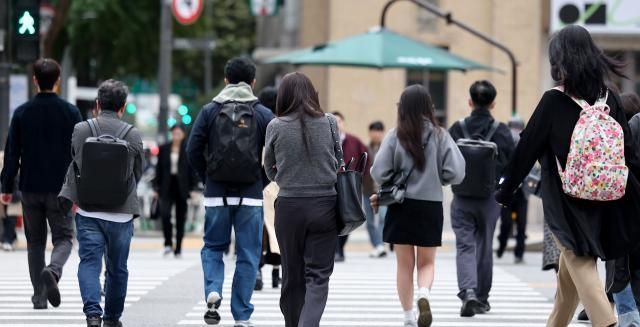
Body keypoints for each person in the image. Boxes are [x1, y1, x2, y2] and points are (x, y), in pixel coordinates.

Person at [496, 25, 640, 327]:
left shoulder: (554, 100)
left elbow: (526, 149)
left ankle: (606, 322)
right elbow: (627, 150)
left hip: (565, 199)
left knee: (579, 259)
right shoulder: (610, 97)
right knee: (567, 280)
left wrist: (505, 191)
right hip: (605, 196)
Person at [187, 57, 274, 327]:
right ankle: (242, 315)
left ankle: (213, 289)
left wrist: (207, 178)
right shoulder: (262, 113)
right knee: (248, 253)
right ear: (253, 82)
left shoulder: (210, 111)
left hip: (216, 193)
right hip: (250, 194)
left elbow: (192, 149)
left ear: (226, 80)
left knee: (213, 247)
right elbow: (274, 154)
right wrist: (261, 181)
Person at [370, 85, 466, 327]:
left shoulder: (394, 135)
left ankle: (408, 316)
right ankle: (424, 292)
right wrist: (438, 177)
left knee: (404, 264)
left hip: (401, 205)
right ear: (428, 107)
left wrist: (395, 176)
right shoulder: (440, 134)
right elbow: (456, 172)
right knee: (427, 262)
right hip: (430, 205)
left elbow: (378, 172)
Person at [58, 79, 144, 327]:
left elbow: (77, 160)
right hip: (121, 213)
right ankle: (112, 318)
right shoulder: (133, 134)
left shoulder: (81, 130)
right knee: (118, 269)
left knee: (89, 263)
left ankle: (92, 314)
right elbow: (137, 170)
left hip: (88, 209)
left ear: (97, 105)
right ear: (123, 107)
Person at [0, 58, 81, 310]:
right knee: (65, 238)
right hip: (61, 189)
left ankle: (39, 297)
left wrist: (5, 188)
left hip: (30, 186)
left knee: (34, 242)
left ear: (35, 81)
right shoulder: (71, 113)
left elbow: (12, 153)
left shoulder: (22, 113)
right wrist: (78, 190)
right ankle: (53, 271)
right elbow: (78, 155)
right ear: (57, 82)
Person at [263, 72, 340, 327]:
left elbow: (268, 167)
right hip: (325, 205)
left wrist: (285, 178)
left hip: (289, 207)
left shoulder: (275, 125)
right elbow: (338, 161)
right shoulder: (329, 121)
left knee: (292, 275)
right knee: (318, 277)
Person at [448, 80, 515, 317]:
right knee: (485, 246)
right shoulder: (502, 130)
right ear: (493, 103)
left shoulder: (456, 128)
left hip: (462, 196)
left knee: (465, 245)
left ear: (470, 101)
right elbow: (512, 163)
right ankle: (483, 298)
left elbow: (445, 160)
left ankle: (468, 292)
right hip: (490, 198)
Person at [153, 124, 197, 258]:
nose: (176, 136)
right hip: (166, 187)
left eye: (179, 133)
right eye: (174, 133)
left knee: (180, 219)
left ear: (183, 134)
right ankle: (167, 244)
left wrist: (194, 188)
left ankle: (178, 248)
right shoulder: (164, 148)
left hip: (182, 188)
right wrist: (156, 188)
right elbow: (158, 169)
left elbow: (192, 171)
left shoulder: (188, 150)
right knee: (165, 215)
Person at [332, 111, 369, 263]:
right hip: (331, 184)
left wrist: (360, 179)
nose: (337, 124)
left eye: (339, 121)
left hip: (349, 186)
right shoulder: (324, 140)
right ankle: (336, 250)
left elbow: (366, 159)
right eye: (333, 121)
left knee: (347, 217)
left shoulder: (354, 141)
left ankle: (340, 248)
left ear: (343, 123)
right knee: (332, 218)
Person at [255, 86, 281, 291]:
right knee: (279, 227)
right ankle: (276, 273)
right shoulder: (282, 122)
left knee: (260, 228)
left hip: (260, 180)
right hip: (279, 181)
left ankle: (257, 270)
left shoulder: (257, 119)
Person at [496, 116, 529, 263]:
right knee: (506, 222)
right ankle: (502, 244)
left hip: (523, 191)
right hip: (508, 189)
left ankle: (519, 253)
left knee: (521, 224)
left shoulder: (527, 140)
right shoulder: (505, 142)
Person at [363, 121, 388, 258]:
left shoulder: (387, 148)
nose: (376, 134)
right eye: (373, 131)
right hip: (367, 189)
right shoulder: (365, 148)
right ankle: (378, 245)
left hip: (382, 190)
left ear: (382, 132)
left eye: (379, 131)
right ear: (370, 132)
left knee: (383, 217)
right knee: (370, 220)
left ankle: (380, 245)